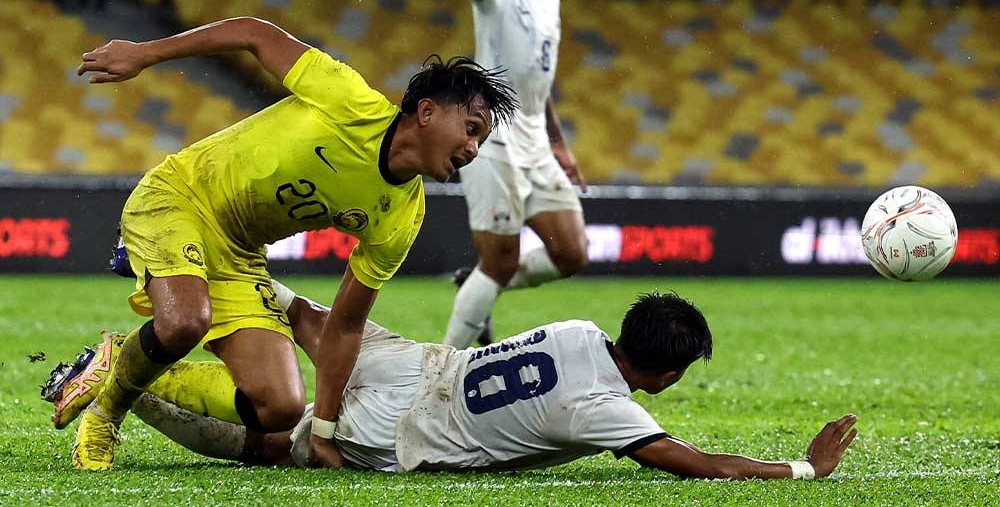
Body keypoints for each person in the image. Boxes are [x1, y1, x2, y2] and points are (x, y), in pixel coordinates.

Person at [62, 16, 517, 471]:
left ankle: (121, 359)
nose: (473, 149)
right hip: (179, 196)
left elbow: (345, 325)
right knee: (185, 320)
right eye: (472, 128)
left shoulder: (403, 214)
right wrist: (145, 53)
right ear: (428, 111)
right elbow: (253, 33)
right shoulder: (350, 101)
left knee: (279, 407)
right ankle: (106, 416)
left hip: (240, 254)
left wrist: (323, 428)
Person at [45, 288, 857, 478]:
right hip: (410, 433)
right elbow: (694, 463)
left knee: (321, 328)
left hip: (425, 367)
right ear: (669, 372)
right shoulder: (604, 411)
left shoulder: (578, 332)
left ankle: (218, 288)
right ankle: (126, 374)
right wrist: (799, 468)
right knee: (271, 439)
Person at [443, 0, 589, 349]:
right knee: (501, 261)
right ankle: (440, 369)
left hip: (537, 144)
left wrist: (560, 145)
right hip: (495, 139)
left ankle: (478, 285)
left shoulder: (552, 0)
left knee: (572, 253)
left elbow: (536, 82)